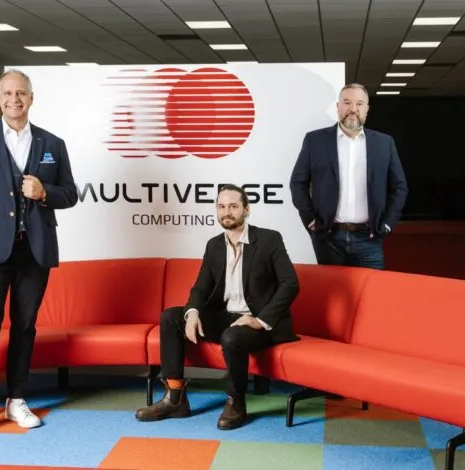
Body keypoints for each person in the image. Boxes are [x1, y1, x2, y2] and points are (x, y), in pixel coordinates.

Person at [0, 69, 78, 439]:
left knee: (25, 327)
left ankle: (16, 399)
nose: (14, 99)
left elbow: (70, 193)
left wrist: (44, 193)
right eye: (8, 93)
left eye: (21, 93)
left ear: (31, 98)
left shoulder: (52, 143)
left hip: (34, 251)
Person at [135, 184, 300, 430]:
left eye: (233, 206)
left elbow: (290, 284)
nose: (227, 212)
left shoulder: (269, 239)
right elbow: (201, 287)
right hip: (227, 317)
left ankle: (236, 401)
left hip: (260, 323)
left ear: (246, 209)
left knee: (232, 336)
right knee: (171, 317)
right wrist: (192, 312)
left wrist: (259, 320)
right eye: (221, 207)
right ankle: (175, 398)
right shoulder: (214, 245)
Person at [289, 83, 408, 269]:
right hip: (328, 237)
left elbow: (399, 187)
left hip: (369, 238)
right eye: (347, 102)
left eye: (360, 104)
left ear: (367, 109)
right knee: (332, 293)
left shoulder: (384, 143)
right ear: (338, 107)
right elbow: (298, 183)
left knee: (371, 294)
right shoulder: (315, 140)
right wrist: (310, 219)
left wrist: (387, 224)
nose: (353, 109)